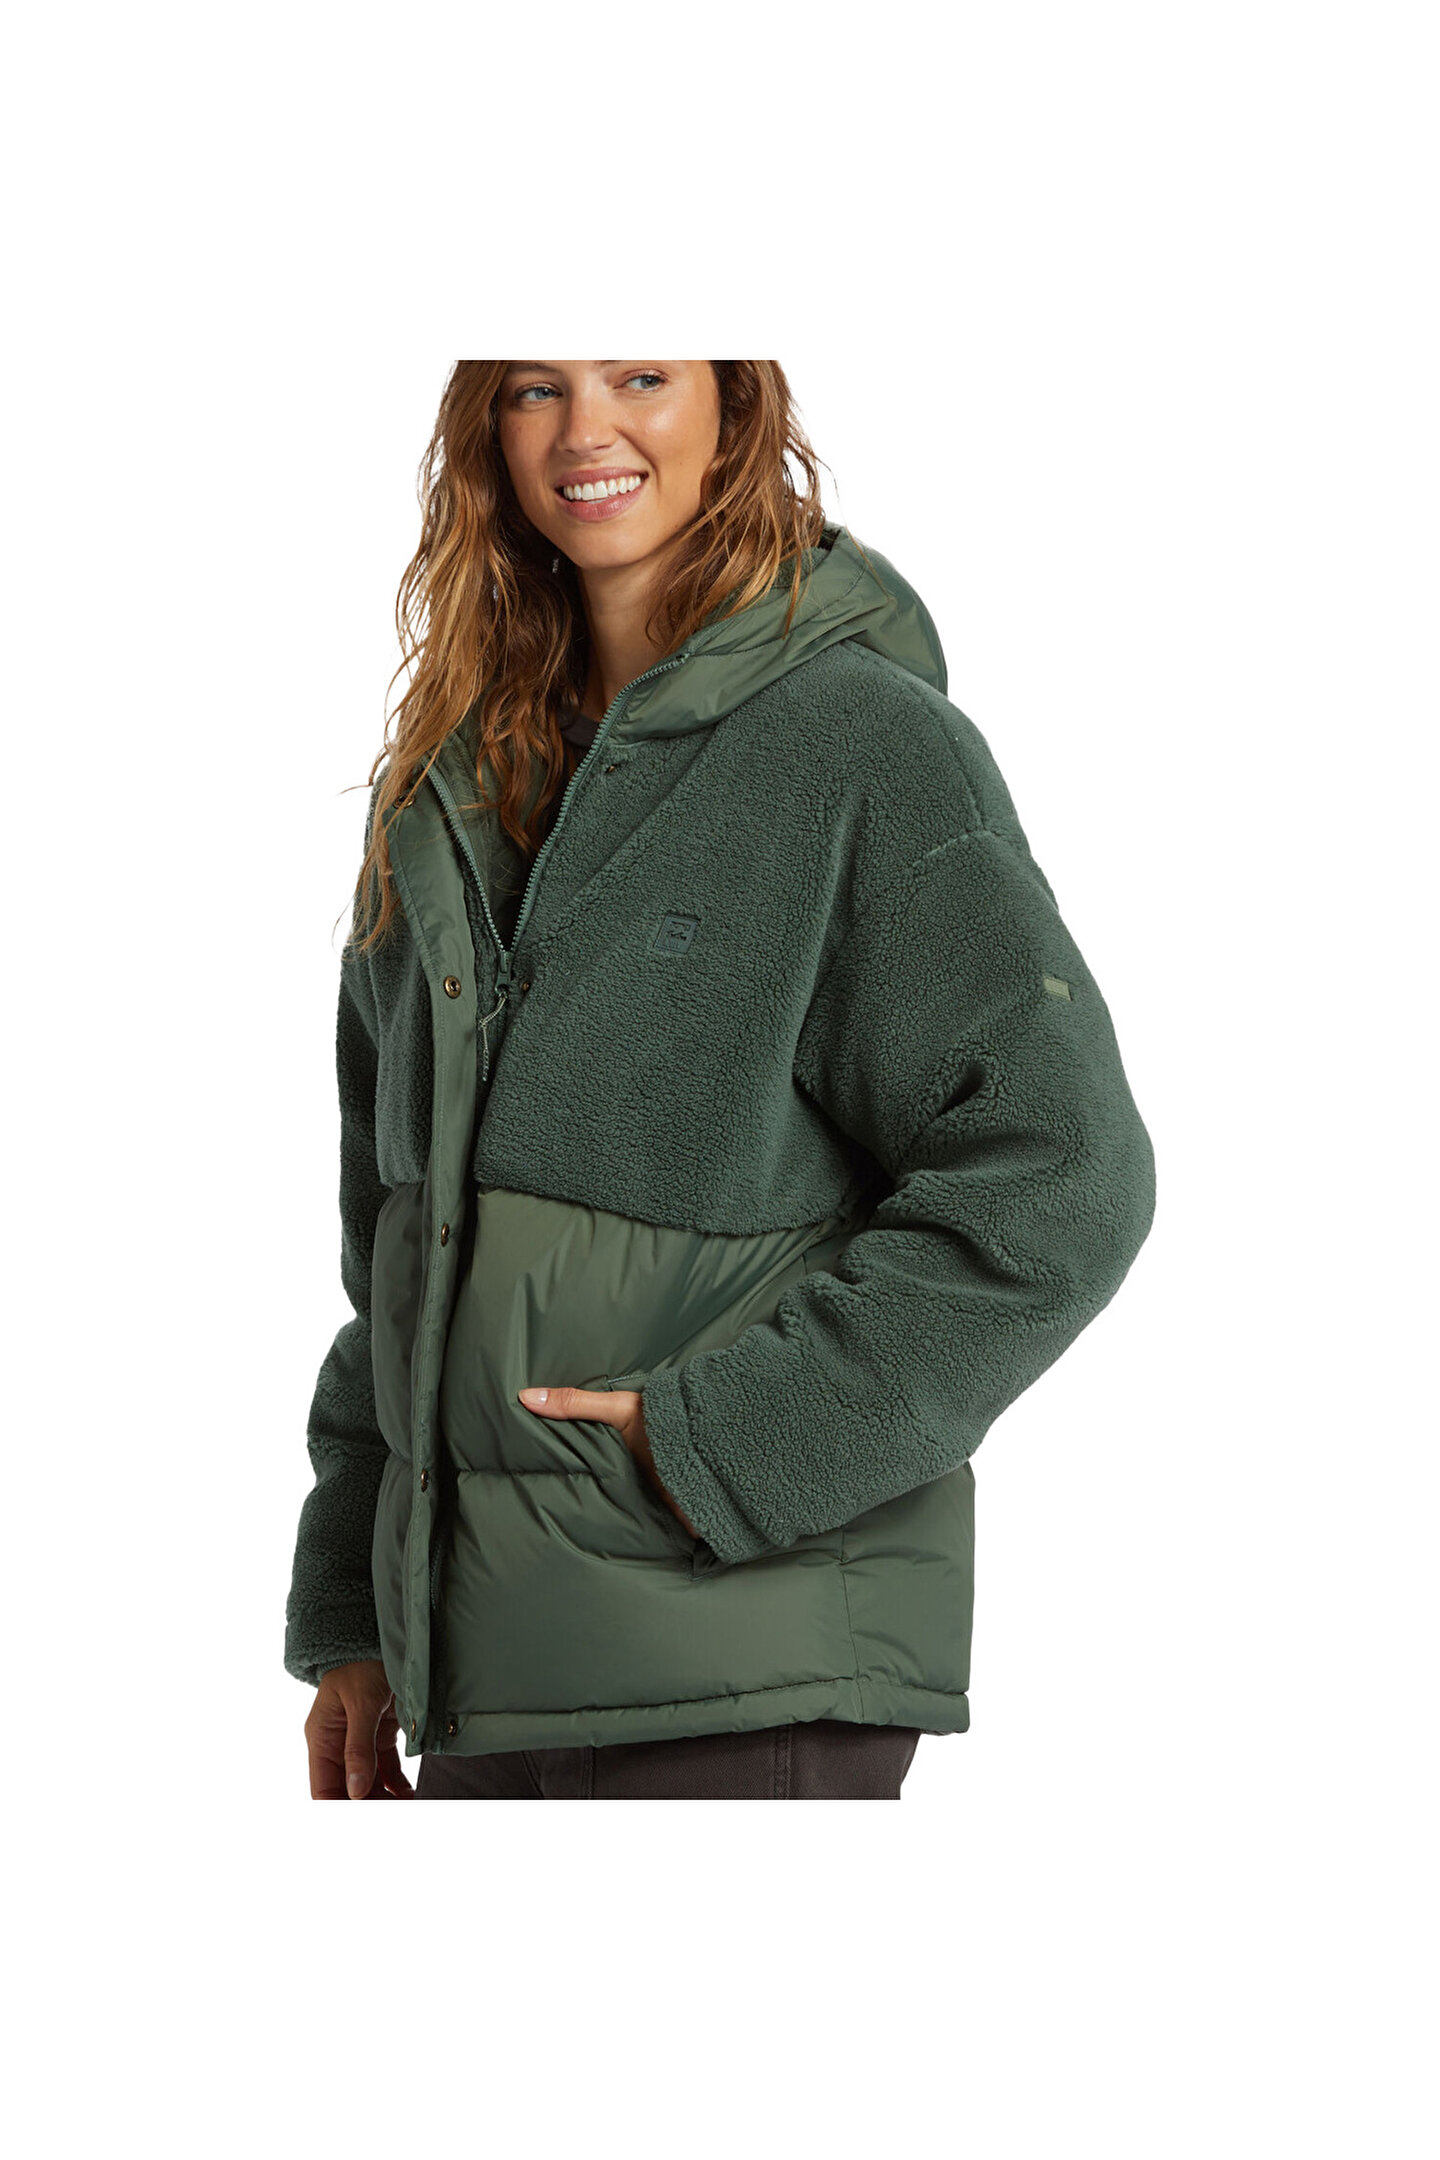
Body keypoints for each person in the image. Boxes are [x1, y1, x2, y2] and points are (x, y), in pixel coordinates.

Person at [283, 359, 1157, 1802]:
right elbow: (394, 1252)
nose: (587, 431)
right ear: (486, 427)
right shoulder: (444, 792)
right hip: (487, 1679)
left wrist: (728, 1445)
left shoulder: (861, 747)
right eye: (535, 386)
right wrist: (355, 1608)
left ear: (734, 409)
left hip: (747, 1656)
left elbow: (1066, 1176)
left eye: (641, 373)